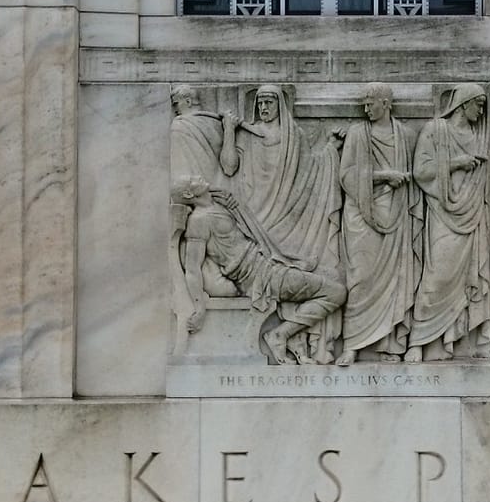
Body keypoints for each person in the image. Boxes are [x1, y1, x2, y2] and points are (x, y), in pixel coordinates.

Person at [172, 177, 345, 365]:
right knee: (336, 292)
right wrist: (199, 308)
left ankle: (304, 340)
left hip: (268, 263)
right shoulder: (198, 221)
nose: (198, 177)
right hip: (260, 277)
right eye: (192, 180)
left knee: (332, 276)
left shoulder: (218, 204)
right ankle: (280, 335)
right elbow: (192, 268)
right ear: (189, 193)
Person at [336, 83, 420, 364]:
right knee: (359, 278)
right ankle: (352, 344)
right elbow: (346, 175)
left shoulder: (405, 136)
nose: (365, 109)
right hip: (361, 213)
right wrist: (384, 176)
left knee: (392, 279)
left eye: (371, 103)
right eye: (364, 103)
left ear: (386, 103)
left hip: (396, 213)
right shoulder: (357, 134)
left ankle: (387, 345)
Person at [409, 83, 490, 360]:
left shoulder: (477, 135)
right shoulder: (435, 130)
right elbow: (421, 171)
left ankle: (451, 339)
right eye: (477, 104)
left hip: (471, 214)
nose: (480, 111)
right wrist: (455, 163)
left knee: (466, 279)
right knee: (436, 276)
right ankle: (417, 343)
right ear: (463, 104)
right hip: (442, 213)